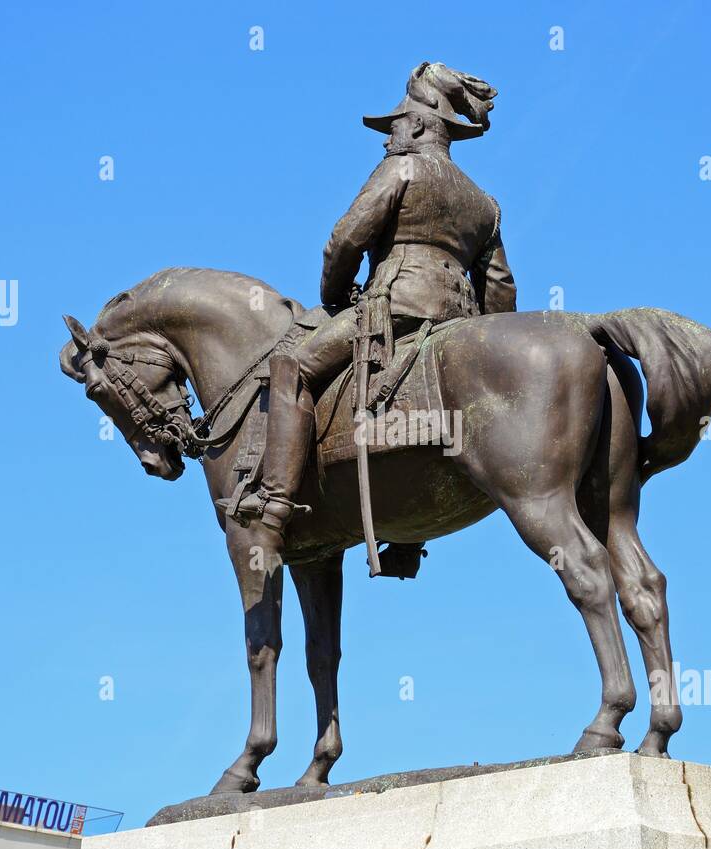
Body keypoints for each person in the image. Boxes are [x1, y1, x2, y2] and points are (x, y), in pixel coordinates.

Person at [218, 62, 517, 535]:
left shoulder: (399, 167)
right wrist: (487, 339)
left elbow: (344, 240)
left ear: (418, 124)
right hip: (458, 321)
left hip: (395, 308)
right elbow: (500, 287)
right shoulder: (484, 203)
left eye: (394, 125)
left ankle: (274, 499)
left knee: (291, 367)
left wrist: (334, 294)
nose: (386, 137)